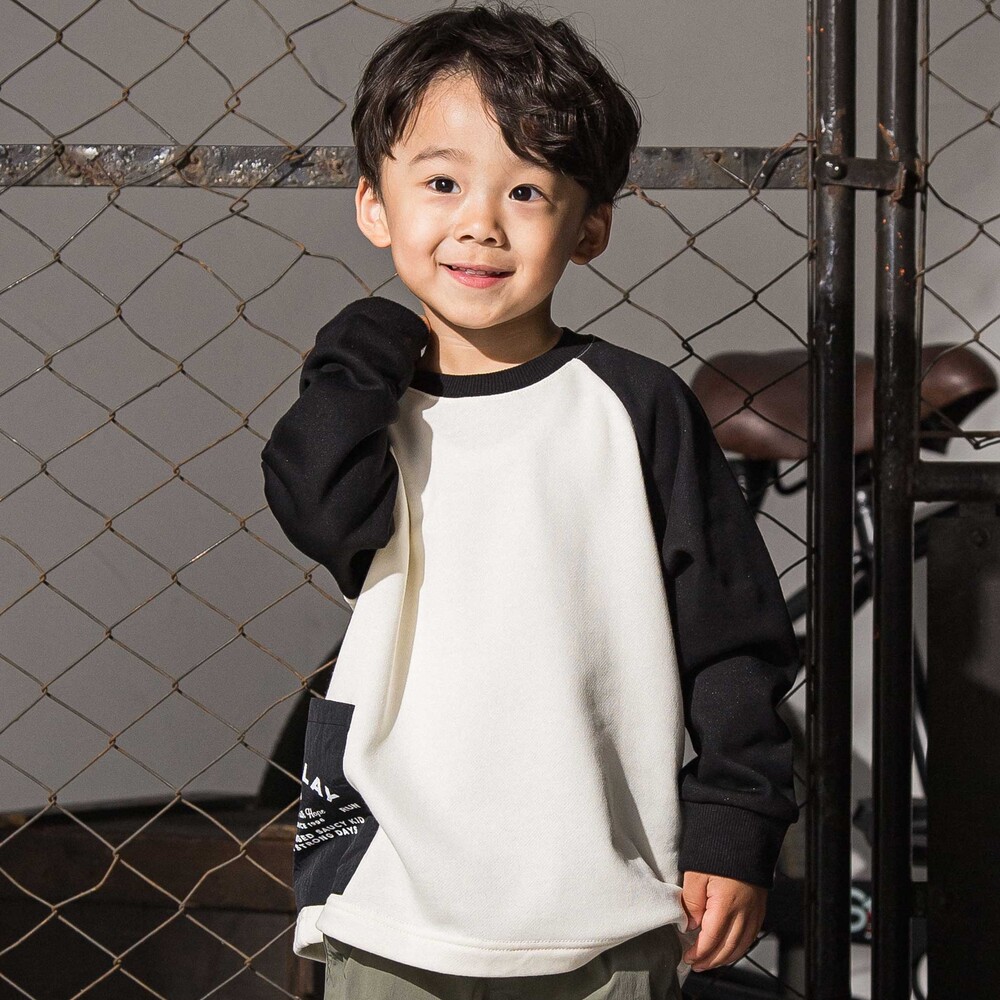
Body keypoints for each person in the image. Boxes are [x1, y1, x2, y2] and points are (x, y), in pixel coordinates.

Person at [259, 3, 800, 998]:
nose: (479, 221)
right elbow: (322, 511)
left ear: (589, 226)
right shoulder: (369, 400)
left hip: (604, 905)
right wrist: (357, 353)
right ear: (374, 205)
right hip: (394, 901)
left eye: (526, 190)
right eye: (441, 183)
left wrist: (736, 819)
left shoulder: (633, 407)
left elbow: (733, 637)